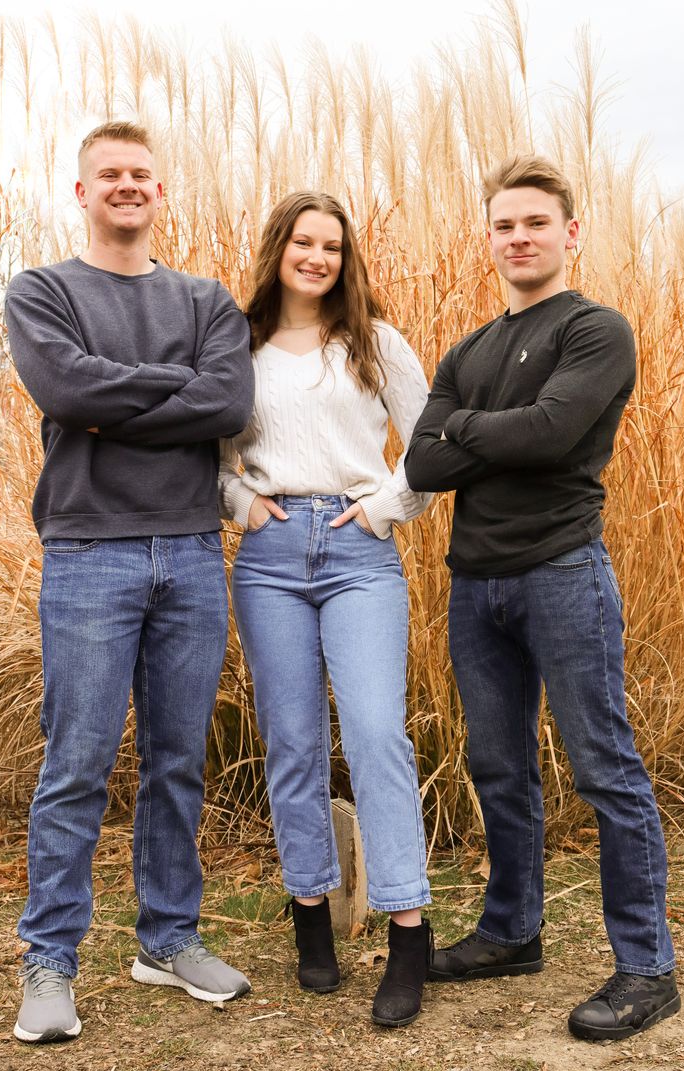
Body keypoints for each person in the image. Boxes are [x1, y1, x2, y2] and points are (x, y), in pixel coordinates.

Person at [404, 154, 680, 1042]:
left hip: (564, 572)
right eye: (504, 226)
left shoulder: (597, 330)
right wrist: (498, 438)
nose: (519, 238)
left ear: (570, 231)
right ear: (488, 239)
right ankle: (512, 932)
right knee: (500, 769)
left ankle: (647, 967)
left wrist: (471, 431)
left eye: (535, 223)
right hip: (474, 584)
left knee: (605, 770)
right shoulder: (467, 349)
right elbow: (423, 462)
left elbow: (558, 430)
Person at [5, 121, 254, 1043]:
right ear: (80, 191)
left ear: (162, 191)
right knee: (75, 766)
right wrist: (167, 396)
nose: (126, 185)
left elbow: (228, 403)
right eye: (108, 174)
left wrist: (123, 403)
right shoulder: (43, 292)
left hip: (191, 551)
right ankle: (49, 961)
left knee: (177, 761)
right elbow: (67, 395)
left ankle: (168, 939)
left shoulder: (205, 300)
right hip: (89, 553)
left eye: (141, 174)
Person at [219, 192, 433, 1027]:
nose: (316, 257)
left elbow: (432, 442)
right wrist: (241, 501)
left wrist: (385, 507)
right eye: (303, 242)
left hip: (357, 552)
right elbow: (205, 455)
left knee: (378, 730)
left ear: (346, 259)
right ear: (278, 248)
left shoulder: (377, 343)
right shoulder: (234, 345)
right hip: (269, 559)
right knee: (295, 741)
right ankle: (311, 915)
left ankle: (408, 929)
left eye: (332, 246)